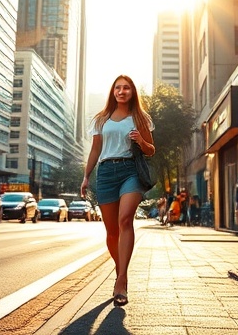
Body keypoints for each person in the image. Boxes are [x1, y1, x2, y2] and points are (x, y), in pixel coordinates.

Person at [82, 75, 156, 306]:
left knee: (125, 220)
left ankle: (121, 280)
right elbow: (95, 150)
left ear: (132, 92)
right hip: (105, 173)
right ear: (113, 92)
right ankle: (120, 270)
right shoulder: (101, 119)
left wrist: (141, 141)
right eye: (118, 88)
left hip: (130, 171)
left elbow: (151, 149)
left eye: (126, 88)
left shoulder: (140, 118)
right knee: (112, 231)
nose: (122, 91)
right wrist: (85, 176)